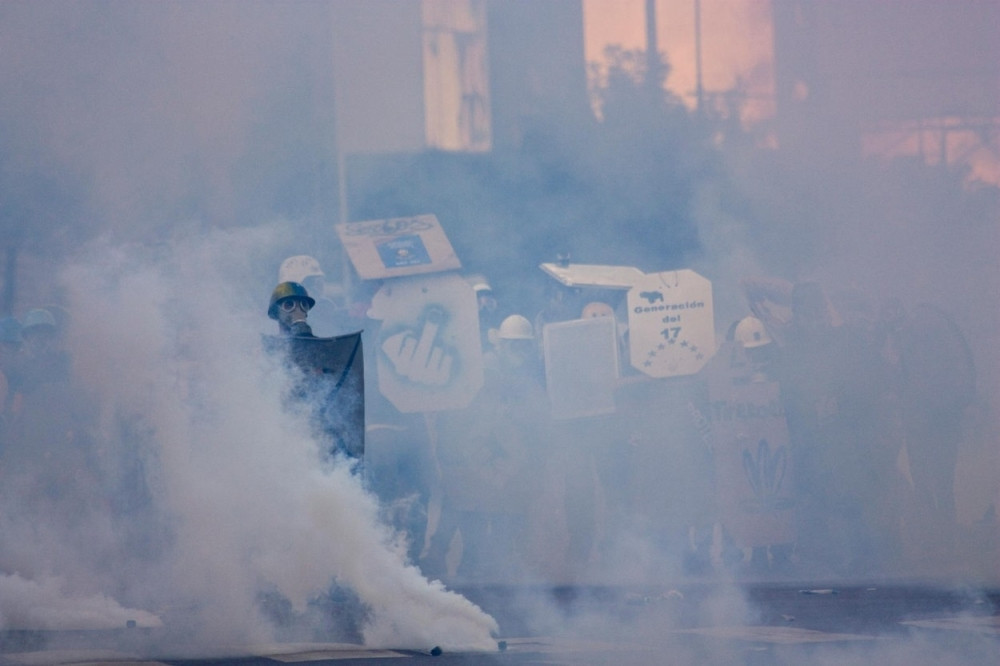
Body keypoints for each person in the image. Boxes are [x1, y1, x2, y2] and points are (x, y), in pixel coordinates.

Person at [426, 314, 547, 581]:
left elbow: (537, 418)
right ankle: (463, 574)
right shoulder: (481, 371)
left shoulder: (529, 379)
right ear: (501, 345)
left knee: (506, 524)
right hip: (476, 457)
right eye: (513, 345)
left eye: (522, 346)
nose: (518, 351)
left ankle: (496, 577)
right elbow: (460, 412)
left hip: (508, 463)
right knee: (471, 520)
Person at [278, 255, 348, 337]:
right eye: (309, 283)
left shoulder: (327, 307)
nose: (316, 288)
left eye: (319, 282)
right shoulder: (284, 311)